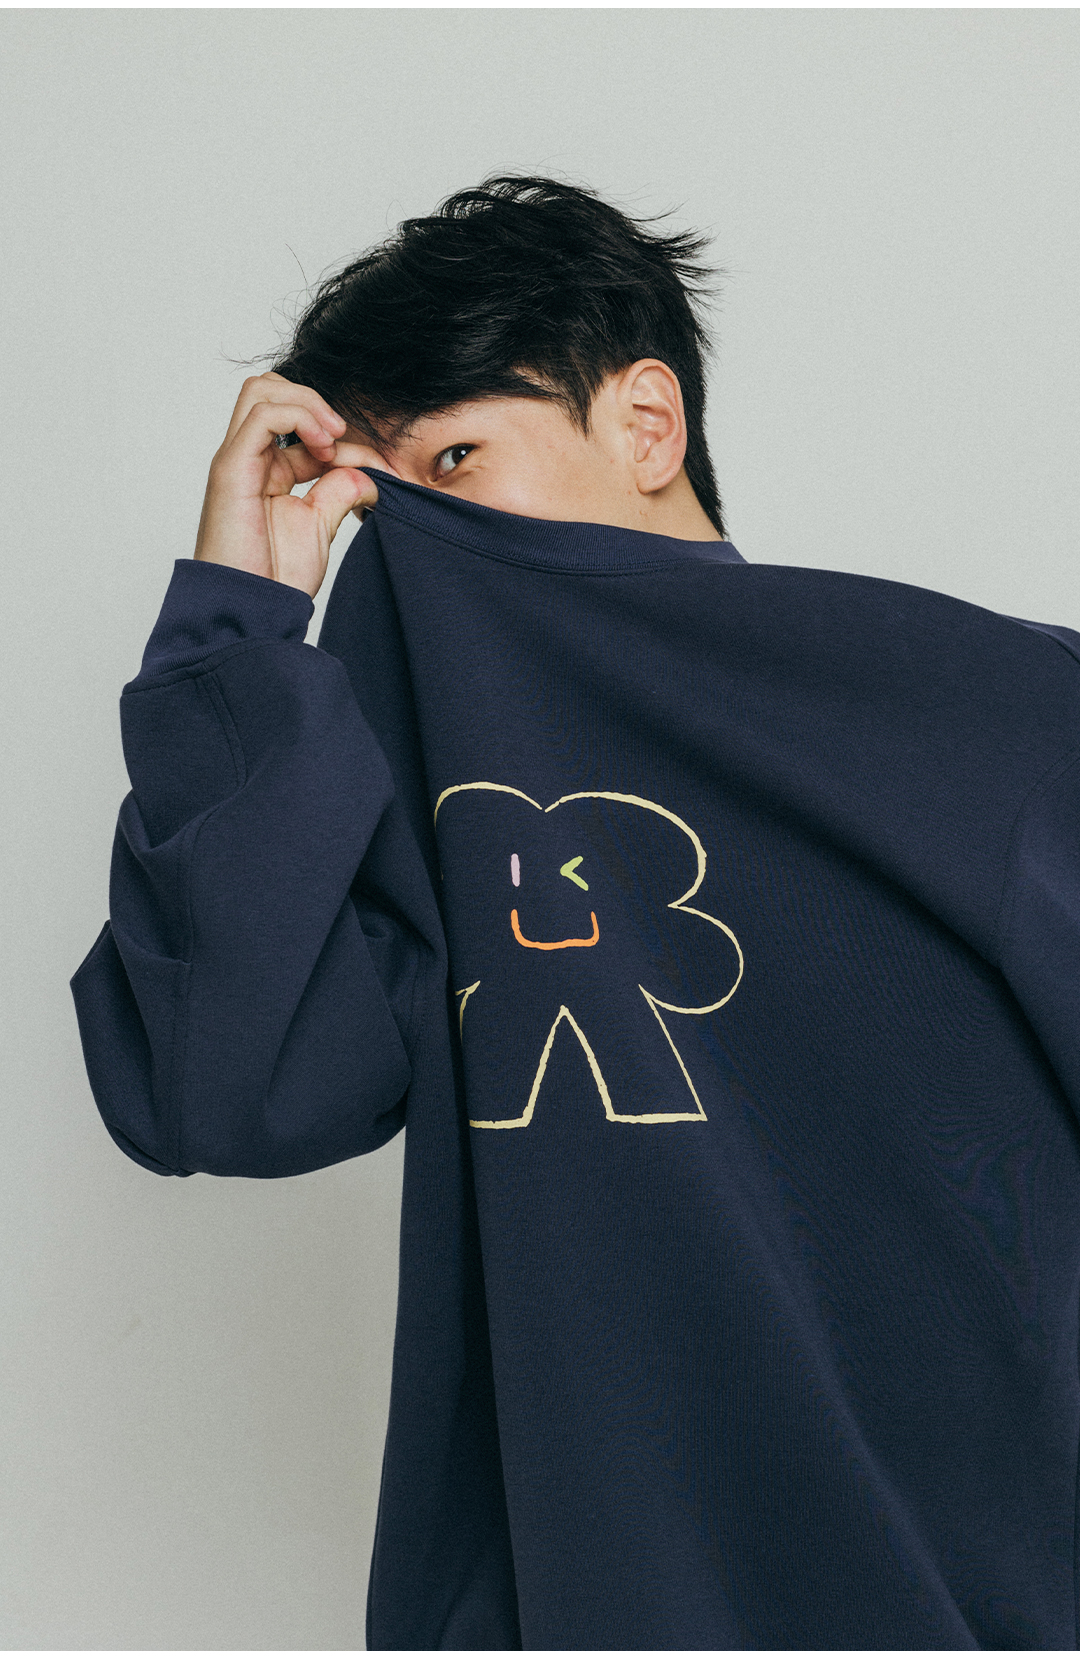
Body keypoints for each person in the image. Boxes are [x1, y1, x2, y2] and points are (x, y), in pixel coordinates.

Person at [71, 176, 1080, 1651]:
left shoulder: (996, 711)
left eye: (455, 460)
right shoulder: (419, 793)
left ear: (646, 426)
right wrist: (238, 624)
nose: (411, 539)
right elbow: (211, 1093)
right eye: (371, 502)